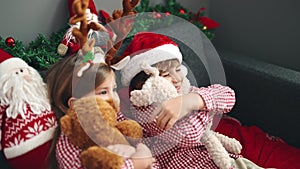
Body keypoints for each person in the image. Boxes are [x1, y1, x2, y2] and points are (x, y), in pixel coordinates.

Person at [118, 32, 265, 168]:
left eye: (177, 70)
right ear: (145, 83)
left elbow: (228, 95)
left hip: (225, 161)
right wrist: (206, 107)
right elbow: (190, 134)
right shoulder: (147, 111)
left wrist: (193, 100)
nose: (177, 79)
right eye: (165, 75)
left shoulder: (185, 92)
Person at [45, 51, 157, 169]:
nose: (113, 98)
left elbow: (143, 134)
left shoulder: (116, 117)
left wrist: (142, 149)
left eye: (113, 89)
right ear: (76, 104)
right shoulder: (71, 136)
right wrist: (136, 164)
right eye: (103, 92)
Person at [0, 49, 57, 169]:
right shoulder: (5, 103)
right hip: (21, 148)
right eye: (16, 73)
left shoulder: (41, 92)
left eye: (21, 70)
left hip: (54, 136)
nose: (21, 75)